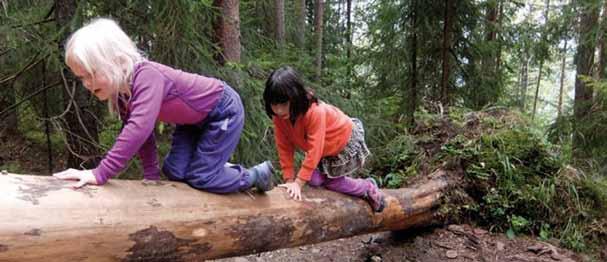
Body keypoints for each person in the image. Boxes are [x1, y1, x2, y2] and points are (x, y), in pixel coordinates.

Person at [53, 18, 273, 194]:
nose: (86, 84)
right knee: (174, 171)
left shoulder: (147, 76)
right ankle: (215, 169)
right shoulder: (122, 96)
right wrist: (151, 179)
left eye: (90, 74)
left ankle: (255, 175)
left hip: (222, 111)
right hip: (192, 123)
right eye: (81, 78)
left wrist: (100, 173)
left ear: (117, 61)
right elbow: (144, 134)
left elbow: (138, 129)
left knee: (202, 177)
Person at [263, 66, 385, 212]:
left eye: (283, 104)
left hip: (342, 141)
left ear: (295, 97)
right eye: (274, 105)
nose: (278, 110)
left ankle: (367, 187)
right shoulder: (279, 118)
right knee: (314, 180)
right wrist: (290, 181)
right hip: (324, 149)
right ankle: (327, 180)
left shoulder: (315, 112)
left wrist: (299, 182)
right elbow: (284, 147)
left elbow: (315, 149)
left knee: (333, 183)